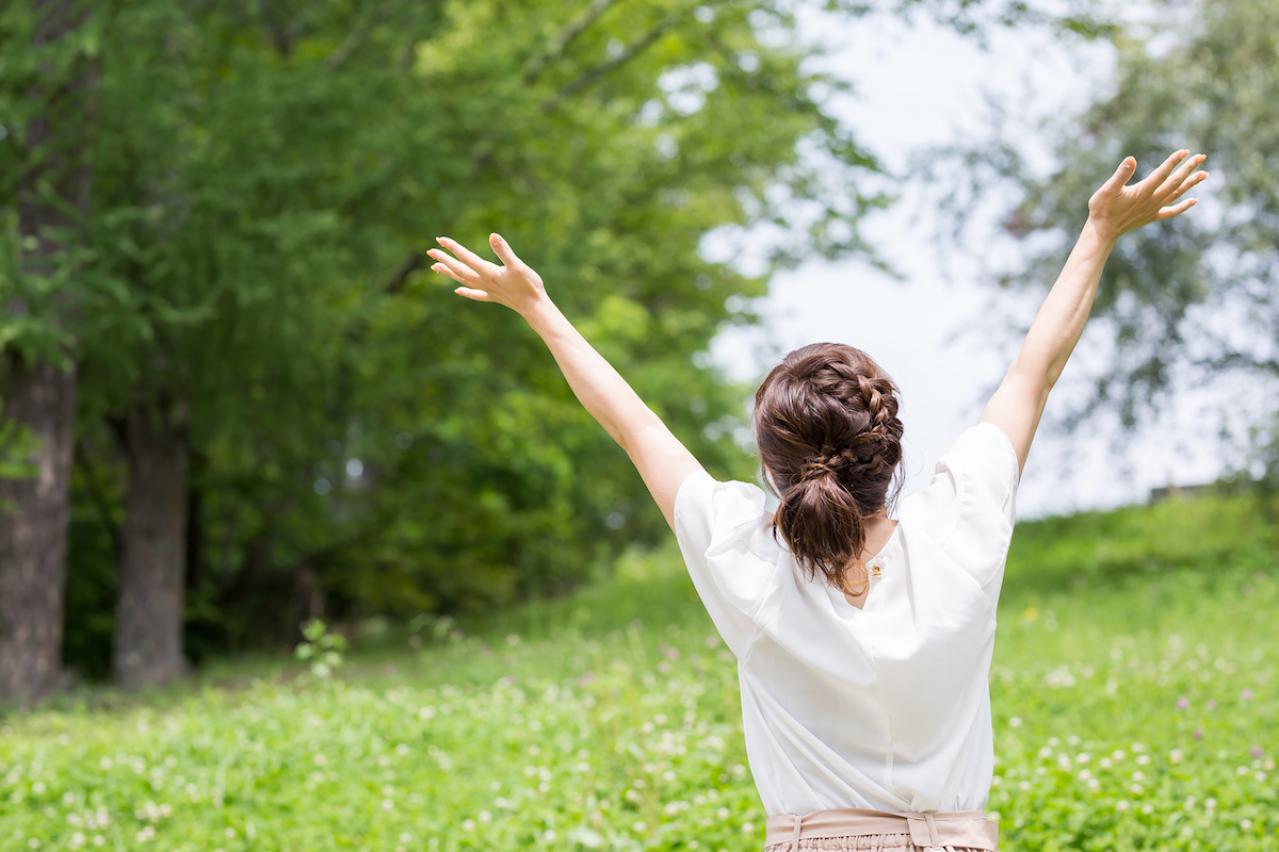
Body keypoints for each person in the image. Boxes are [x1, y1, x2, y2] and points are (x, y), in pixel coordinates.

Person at [427, 148, 1209, 851]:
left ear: (773, 468)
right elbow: (1031, 374)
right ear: (890, 450)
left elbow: (634, 428)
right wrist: (1097, 233)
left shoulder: (744, 557)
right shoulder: (957, 533)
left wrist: (537, 307)